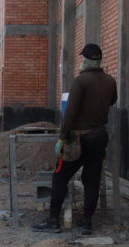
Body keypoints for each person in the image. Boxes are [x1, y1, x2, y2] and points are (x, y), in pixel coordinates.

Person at [33, 43, 116, 235]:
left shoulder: (81, 81)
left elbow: (70, 112)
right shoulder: (110, 81)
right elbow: (112, 101)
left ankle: (53, 220)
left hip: (79, 139)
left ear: (86, 60)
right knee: (92, 179)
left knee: (60, 176)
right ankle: (87, 222)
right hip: (100, 137)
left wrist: (62, 138)